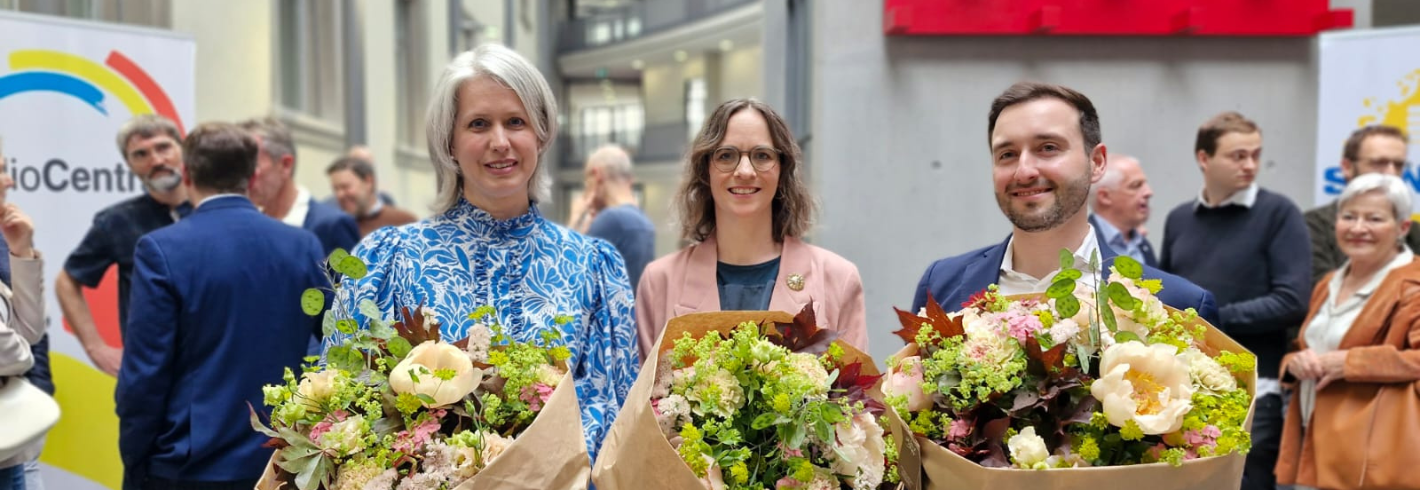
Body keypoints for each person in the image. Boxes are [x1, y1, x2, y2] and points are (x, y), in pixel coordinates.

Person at [331, 44, 638, 463]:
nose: (500, 141)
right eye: (478, 124)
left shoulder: (593, 266)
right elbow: (341, 414)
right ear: (449, 143)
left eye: (516, 122)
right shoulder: (387, 260)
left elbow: (622, 417)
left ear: (541, 134)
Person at [116, 123, 326, 490]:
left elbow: (145, 375)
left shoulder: (162, 249)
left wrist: (135, 462)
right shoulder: (302, 246)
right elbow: (334, 343)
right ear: (252, 174)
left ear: (186, 172)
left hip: (191, 463)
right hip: (284, 460)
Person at [913, 82, 1217, 325]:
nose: (1024, 171)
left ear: (1096, 163)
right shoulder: (941, 284)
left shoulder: (1179, 304)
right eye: (1007, 154)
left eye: (1048, 148)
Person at [636, 98, 867, 359]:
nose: (745, 171)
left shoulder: (838, 278)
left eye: (761, 156)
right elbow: (642, 398)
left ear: (782, 170)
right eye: (726, 156)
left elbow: (859, 396)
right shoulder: (659, 282)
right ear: (705, 170)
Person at [1159, 111, 1310, 490]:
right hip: (1183, 386)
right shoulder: (1179, 219)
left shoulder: (1279, 213)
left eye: (1255, 155)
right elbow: (1165, 298)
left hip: (1256, 385)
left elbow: (1292, 300)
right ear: (1204, 158)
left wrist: (1210, 320)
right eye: (1238, 156)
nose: (1250, 165)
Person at [1276, 174, 1420, 490]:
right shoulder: (1329, 283)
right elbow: (1306, 347)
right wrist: (1295, 364)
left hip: (1375, 460)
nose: (1357, 228)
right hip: (1311, 448)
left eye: (1374, 218)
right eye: (1349, 216)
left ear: (1402, 228)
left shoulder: (1414, 283)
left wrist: (1352, 363)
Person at [57, 115, 192, 377]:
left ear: (182, 150)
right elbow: (67, 281)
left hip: (211, 368)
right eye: (141, 154)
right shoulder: (118, 221)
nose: (156, 160)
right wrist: (95, 348)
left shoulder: (213, 211)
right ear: (129, 165)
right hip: (150, 373)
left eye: (163, 147)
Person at [1306, 124, 1419, 286]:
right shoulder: (1312, 226)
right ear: (1347, 167)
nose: (1391, 173)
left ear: (1403, 228)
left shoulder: (1413, 232)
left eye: (1398, 165)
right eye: (1379, 163)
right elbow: (1320, 288)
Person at [238, 117, 359, 255]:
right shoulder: (249, 225)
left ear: (285, 165)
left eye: (252, 166)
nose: (243, 177)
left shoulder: (331, 226)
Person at [0, 137, 46, 490]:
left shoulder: (4, 240)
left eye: (5, 169)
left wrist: (21, 250)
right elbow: (13, 352)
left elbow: (30, 331)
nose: (9, 181)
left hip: (8, 447)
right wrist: (20, 357)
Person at [570, 145, 656, 289]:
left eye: (586, 182)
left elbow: (567, 277)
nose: (586, 189)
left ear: (597, 176)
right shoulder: (644, 222)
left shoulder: (610, 220)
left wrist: (574, 221)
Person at [1089, 154, 1157, 267]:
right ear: (1105, 196)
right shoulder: (1083, 243)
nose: (1148, 192)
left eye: (1145, 184)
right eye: (1136, 186)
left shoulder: (1143, 245)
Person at [326, 156, 418, 237]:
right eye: (336, 189)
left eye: (345, 187)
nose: (340, 195)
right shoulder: (333, 227)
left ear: (368, 182)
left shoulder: (404, 222)